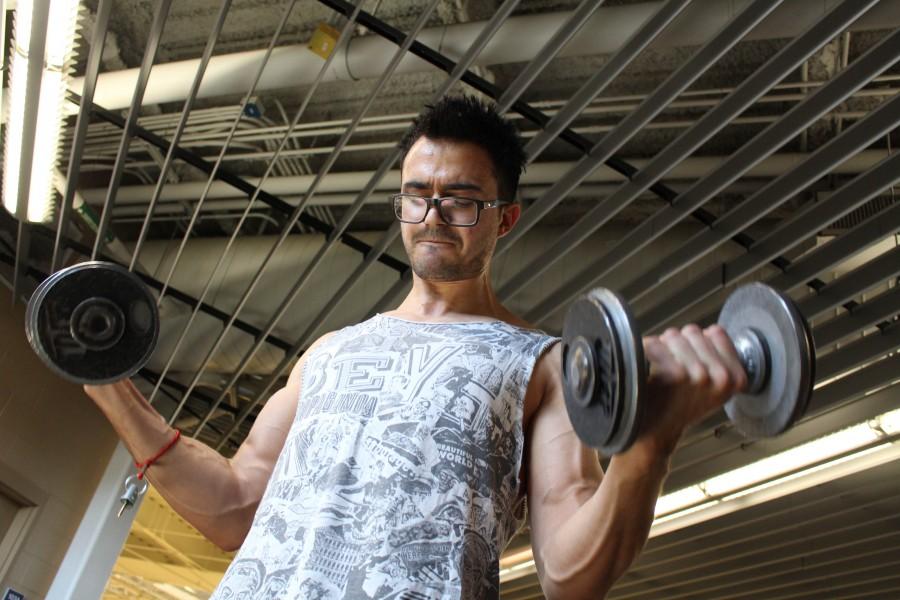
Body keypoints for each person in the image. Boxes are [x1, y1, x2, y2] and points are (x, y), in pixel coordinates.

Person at [85, 95, 747, 599]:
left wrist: (646, 452)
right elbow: (234, 506)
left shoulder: (542, 365)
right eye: (416, 196)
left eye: (459, 201)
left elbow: (570, 575)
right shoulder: (330, 353)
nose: (432, 217)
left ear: (505, 218)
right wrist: (107, 386)